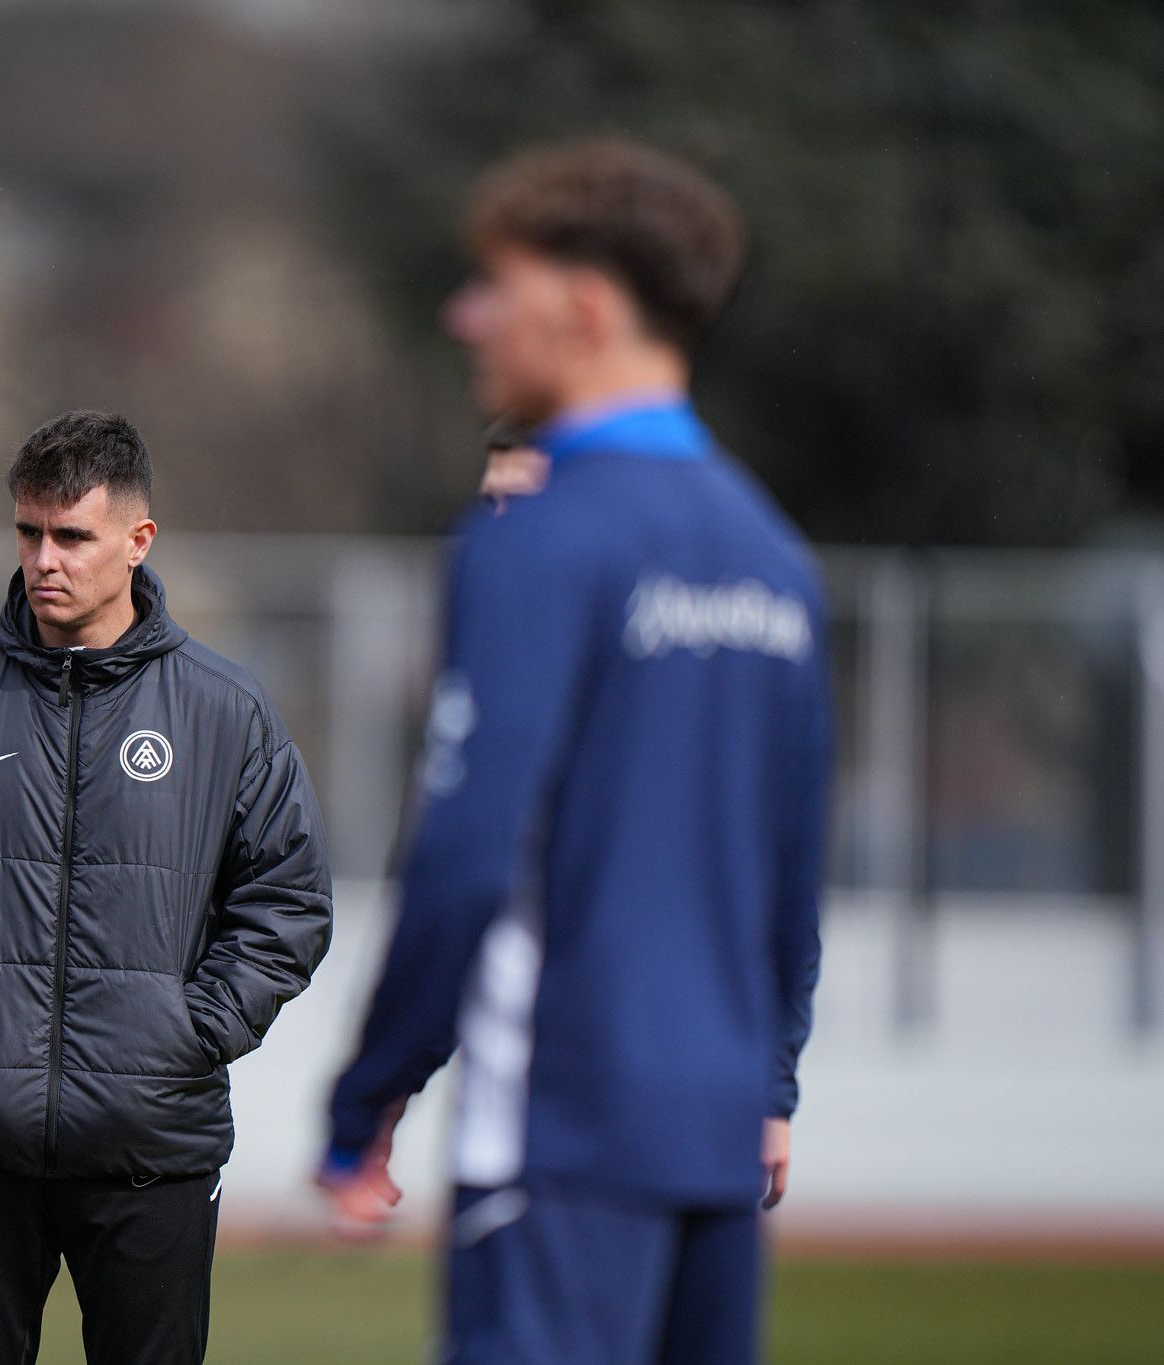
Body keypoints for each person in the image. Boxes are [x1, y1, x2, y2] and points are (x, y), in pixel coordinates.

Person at [320, 139, 831, 1364]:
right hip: (712, 1134)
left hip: (561, 1127)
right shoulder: (772, 553)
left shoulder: (536, 535)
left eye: (493, 282)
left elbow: (465, 850)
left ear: (585, 307)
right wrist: (767, 1082)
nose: (465, 315)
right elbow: (788, 863)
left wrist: (369, 1090)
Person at [0, 410, 334, 1364]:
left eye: (72, 536)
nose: (44, 560)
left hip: (152, 1146)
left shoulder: (226, 712)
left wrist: (191, 1033)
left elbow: (289, 899)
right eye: (29, 533)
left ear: (138, 542)